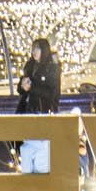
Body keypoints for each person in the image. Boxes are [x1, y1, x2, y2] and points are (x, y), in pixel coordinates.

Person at [13, 36, 62, 177]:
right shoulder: (30, 65)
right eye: (33, 48)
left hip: (42, 112)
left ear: (44, 50)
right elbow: (21, 88)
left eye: (37, 49)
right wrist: (22, 86)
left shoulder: (52, 68)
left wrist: (32, 87)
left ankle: (39, 176)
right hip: (27, 110)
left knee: (40, 148)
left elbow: (52, 93)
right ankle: (28, 174)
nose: (34, 52)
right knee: (25, 145)